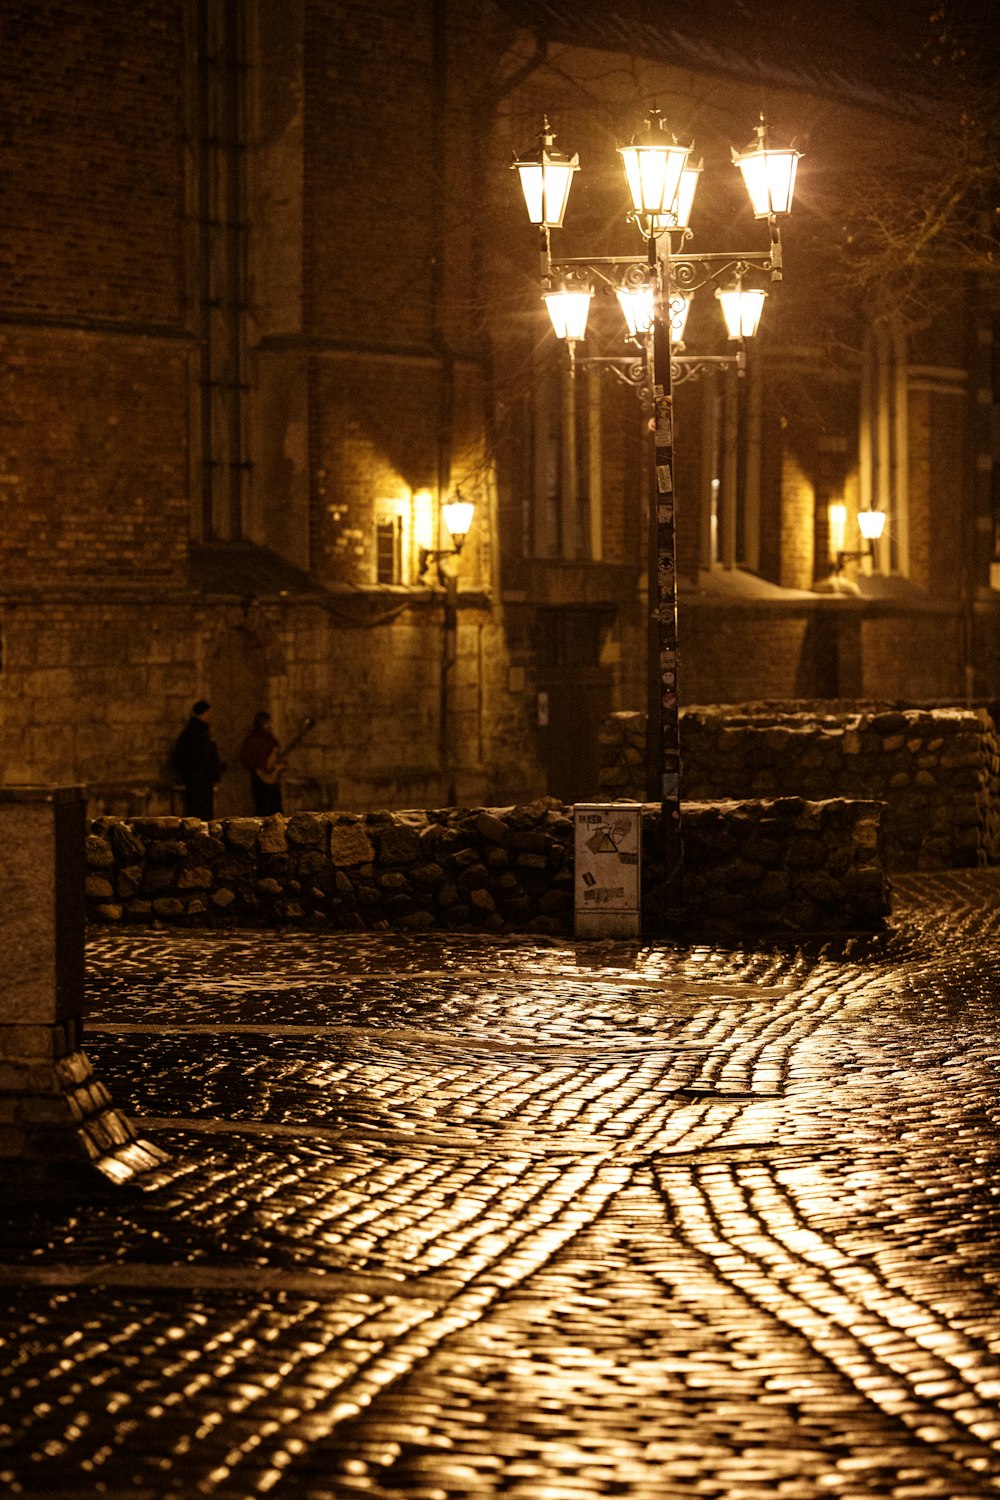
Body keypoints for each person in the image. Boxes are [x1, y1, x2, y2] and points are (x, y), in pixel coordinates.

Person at [172, 699, 225, 820]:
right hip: (198, 782)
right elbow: (195, 757)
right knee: (199, 815)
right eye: (208, 713)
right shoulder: (194, 734)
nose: (210, 716)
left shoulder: (199, 733)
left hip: (202, 781)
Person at [239, 710, 285, 815]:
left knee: (275, 809)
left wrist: (279, 764)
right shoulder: (252, 739)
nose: (270, 725)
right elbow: (247, 758)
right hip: (259, 780)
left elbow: (279, 755)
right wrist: (264, 764)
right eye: (267, 722)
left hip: (272, 781)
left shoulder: (271, 739)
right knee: (263, 809)